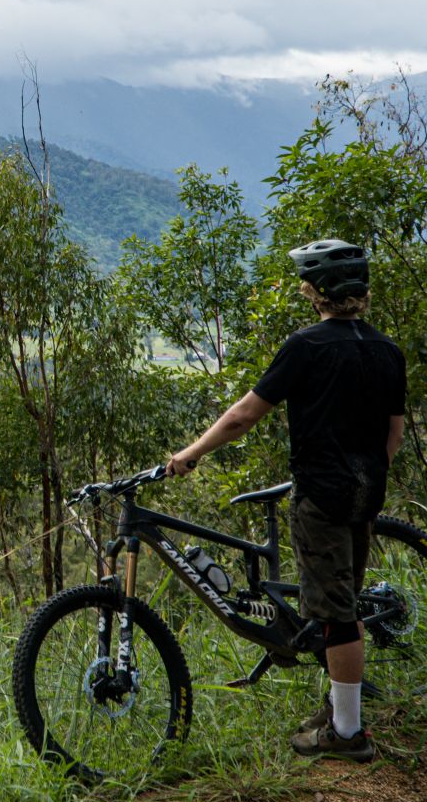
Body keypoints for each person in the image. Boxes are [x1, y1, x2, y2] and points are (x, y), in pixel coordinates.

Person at [164, 239, 405, 763]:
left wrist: (191, 453)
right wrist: (369, 476)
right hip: (366, 491)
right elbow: (394, 432)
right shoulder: (387, 350)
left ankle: (347, 733)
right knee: (344, 601)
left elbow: (243, 416)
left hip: (321, 495)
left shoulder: (307, 346)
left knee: (337, 614)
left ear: (317, 291)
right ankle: (340, 710)